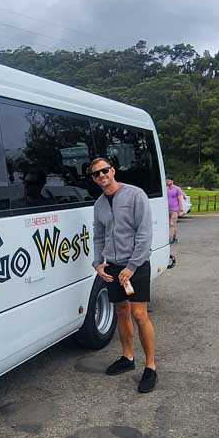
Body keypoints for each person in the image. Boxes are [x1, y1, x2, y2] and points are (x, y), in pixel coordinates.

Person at [90, 156, 157, 393]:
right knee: (121, 311)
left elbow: (144, 233)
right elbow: (98, 236)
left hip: (136, 266)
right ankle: (128, 358)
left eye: (104, 170)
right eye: (96, 174)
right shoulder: (98, 205)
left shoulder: (135, 195)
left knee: (140, 315)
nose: (101, 176)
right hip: (113, 267)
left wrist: (132, 266)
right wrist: (98, 263)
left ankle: (150, 367)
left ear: (113, 170)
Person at [166, 176, 185, 245]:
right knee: (172, 225)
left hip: (175, 209)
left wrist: (181, 209)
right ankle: (175, 238)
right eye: (166, 181)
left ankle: (169, 239)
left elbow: (180, 199)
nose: (166, 182)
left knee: (172, 224)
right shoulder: (166, 189)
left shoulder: (177, 189)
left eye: (168, 181)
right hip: (167, 209)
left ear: (172, 181)